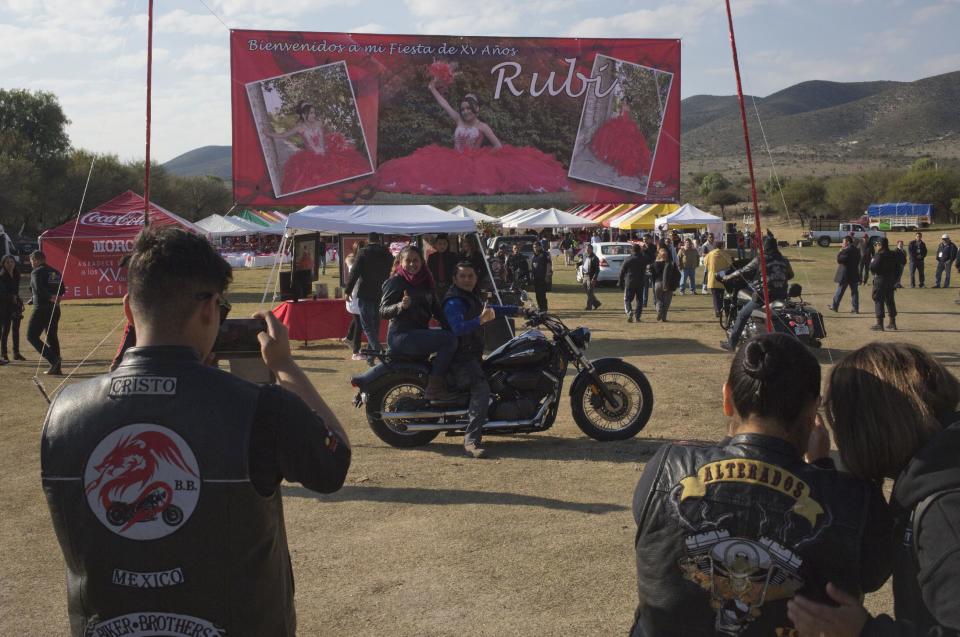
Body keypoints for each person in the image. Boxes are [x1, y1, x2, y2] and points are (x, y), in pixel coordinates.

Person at [40, 227, 351, 636]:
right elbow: (334, 463)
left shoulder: (62, 412)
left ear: (128, 310)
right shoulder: (263, 407)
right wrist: (285, 366)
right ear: (209, 310)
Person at [631, 333, 892, 636]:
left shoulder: (665, 468)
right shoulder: (855, 498)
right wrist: (821, 470)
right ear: (812, 412)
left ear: (728, 398)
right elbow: (873, 572)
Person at [787, 342, 960, 637]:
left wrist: (867, 631)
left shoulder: (944, 512)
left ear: (868, 427)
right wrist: (823, 471)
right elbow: (873, 563)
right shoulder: (936, 469)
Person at [375, 67, 569, 195]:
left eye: (469, 108)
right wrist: (432, 86)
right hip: (454, 158)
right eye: (464, 108)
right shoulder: (458, 119)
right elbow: (443, 104)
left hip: (476, 160)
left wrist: (479, 156)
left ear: (476, 109)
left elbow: (498, 146)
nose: (465, 111)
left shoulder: (482, 126)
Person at [443, 261, 520, 458]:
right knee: (481, 388)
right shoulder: (454, 301)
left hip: (472, 354)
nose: (467, 279)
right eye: (463, 276)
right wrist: (480, 320)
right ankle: (471, 441)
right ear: (455, 279)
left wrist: (520, 310)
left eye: (470, 275)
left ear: (476, 278)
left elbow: (491, 309)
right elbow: (457, 328)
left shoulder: (471, 297)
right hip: (460, 358)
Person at [380, 245, 457, 401]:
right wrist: (401, 306)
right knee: (448, 341)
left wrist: (454, 330)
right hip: (401, 335)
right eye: (407, 260)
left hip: (418, 333)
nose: (412, 264)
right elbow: (382, 311)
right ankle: (434, 388)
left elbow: (438, 311)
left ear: (422, 262)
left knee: (453, 338)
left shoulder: (426, 281)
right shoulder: (396, 281)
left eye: (415, 260)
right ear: (400, 262)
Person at [263, 101, 370, 194]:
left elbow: (323, 139)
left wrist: (333, 144)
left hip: (327, 155)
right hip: (312, 160)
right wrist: (268, 134)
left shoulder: (319, 123)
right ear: (304, 115)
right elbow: (283, 135)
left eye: (314, 112)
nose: (314, 115)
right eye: (311, 113)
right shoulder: (299, 128)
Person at [720, 236, 794, 351]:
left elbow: (743, 270)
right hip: (782, 295)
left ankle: (732, 343)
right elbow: (791, 275)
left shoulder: (760, 259)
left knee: (742, 314)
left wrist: (727, 276)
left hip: (764, 295)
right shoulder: (784, 260)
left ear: (764, 247)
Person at [345, 233, 393, 365]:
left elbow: (354, 273)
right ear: (379, 240)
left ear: (368, 240)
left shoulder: (363, 252)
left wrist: (348, 290)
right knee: (375, 326)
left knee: (367, 326)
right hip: (381, 292)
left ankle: (378, 350)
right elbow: (390, 268)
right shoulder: (386, 253)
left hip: (366, 292)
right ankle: (371, 357)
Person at [588, 97, 652, 178]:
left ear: (627, 102)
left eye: (625, 100)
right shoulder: (625, 107)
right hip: (622, 121)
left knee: (624, 142)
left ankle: (619, 160)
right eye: (624, 100)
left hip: (624, 123)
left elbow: (625, 115)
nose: (624, 102)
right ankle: (614, 158)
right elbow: (622, 114)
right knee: (613, 136)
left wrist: (623, 117)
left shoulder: (626, 107)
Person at [27, 250, 64, 375]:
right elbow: (62, 289)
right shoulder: (55, 271)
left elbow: (38, 289)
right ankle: (57, 368)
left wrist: (49, 297)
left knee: (31, 336)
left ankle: (54, 360)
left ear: (36, 260)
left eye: (32, 261)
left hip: (42, 308)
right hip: (55, 308)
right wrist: (54, 298)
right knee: (52, 336)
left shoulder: (36, 272)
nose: (32, 264)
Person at [869, 237, 899, 331]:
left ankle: (879, 324)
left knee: (878, 300)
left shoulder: (879, 255)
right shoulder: (894, 254)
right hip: (891, 281)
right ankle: (892, 323)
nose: (876, 247)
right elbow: (898, 268)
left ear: (880, 245)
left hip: (880, 280)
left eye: (877, 245)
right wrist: (895, 280)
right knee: (890, 301)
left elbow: (873, 267)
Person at [0, 254, 25, 364]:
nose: (10, 264)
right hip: (5, 306)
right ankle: (4, 354)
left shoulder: (17, 275)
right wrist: (11, 297)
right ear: (3, 264)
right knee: (5, 330)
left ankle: (16, 353)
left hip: (16, 305)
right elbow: (2, 293)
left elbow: (16, 291)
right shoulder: (1, 276)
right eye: (7, 262)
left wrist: (18, 299)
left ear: (15, 263)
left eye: (11, 262)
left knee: (16, 329)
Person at [343, 241, 365, 361]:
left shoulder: (356, 263)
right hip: (355, 298)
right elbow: (355, 282)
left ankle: (348, 337)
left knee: (356, 320)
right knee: (359, 324)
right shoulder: (355, 265)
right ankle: (356, 352)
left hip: (355, 297)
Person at [618, 243, 650, 323]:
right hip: (640, 281)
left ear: (632, 250)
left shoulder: (628, 259)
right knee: (639, 300)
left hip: (630, 281)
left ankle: (629, 312)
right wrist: (645, 250)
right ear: (640, 250)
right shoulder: (644, 258)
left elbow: (622, 271)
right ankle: (637, 316)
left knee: (627, 299)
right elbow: (650, 259)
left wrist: (620, 282)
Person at [830, 236, 861, 313]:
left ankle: (834, 306)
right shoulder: (857, 250)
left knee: (840, 291)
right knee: (854, 292)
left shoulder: (846, 250)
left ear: (847, 242)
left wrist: (840, 252)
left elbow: (840, 260)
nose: (842, 243)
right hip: (854, 273)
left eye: (843, 242)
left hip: (845, 274)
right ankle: (855, 308)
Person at [703, 240, 733, 318]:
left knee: (715, 296)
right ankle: (720, 309)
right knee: (721, 295)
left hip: (712, 277)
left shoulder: (710, 254)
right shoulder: (725, 254)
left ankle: (717, 310)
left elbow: (705, 263)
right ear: (722, 246)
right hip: (723, 277)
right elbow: (730, 264)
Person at [426, 234, 459, 299]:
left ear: (447, 244)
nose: (442, 246)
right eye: (440, 244)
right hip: (435, 285)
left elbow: (456, 270)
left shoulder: (453, 256)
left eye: (444, 244)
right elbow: (429, 271)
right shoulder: (431, 257)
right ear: (436, 245)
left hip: (449, 284)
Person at [651, 247, 678, 322]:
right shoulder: (672, 263)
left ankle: (659, 310)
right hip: (669, 284)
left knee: (658, 299)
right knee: (666, 302)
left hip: (658, 283)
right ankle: (664, 317)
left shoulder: (655, 263)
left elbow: (652, 274)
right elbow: (677, 274)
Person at [530, 242, 551, 311]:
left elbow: (548, 265)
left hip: (543, 278)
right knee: (537, 294)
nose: (535, 248)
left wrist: (547, 275)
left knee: (542, 294)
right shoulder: (534, 256)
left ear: (539, 247)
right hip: (536, 278)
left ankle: (544, 308)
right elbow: (533, 267)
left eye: (536, 247)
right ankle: (540, 308)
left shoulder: (544, 254)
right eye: (534, 247)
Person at [580, 243, 601, 310]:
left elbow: (597, 270)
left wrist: (594, 278)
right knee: (587, 291)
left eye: (588, 248)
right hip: (585, 275)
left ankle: (589, 307)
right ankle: (596, 303)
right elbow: (585, 264)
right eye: (586, 248)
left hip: (590, 276)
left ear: (591, 249)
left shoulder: (595, 258)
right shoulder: (586, 256)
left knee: (590, 291)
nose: (586, 250)